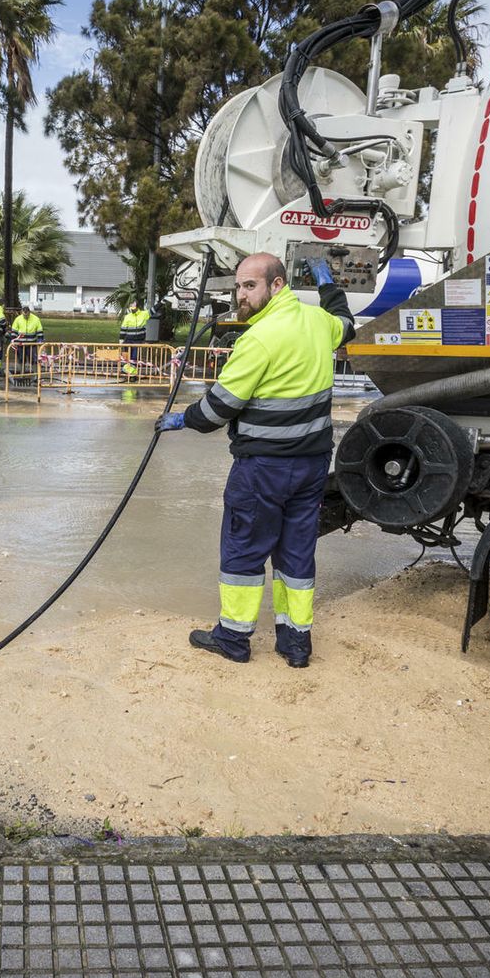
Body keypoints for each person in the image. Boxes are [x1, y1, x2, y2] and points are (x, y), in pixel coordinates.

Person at [155, 252, 355, 669]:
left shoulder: (259, 339)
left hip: (263, 468)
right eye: (238, 286)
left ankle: (233, 638)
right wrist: (327, 283)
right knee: (296, 554)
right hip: (311, 466)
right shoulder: (318, 323)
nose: (241, 295)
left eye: (250, 286)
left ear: (277, 285)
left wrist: (182, 419)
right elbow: (345, 322)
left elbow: (217, 411)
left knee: (244, 551)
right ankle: (296, 643)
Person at [8, 306, 44, 377]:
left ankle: (35, 376)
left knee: (33, 360)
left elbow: (40, 331)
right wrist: (13, 341)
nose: (25, 316)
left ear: (29, 313)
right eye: (24, 315)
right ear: (22, 313)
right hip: (20, 344)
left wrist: (40, 340)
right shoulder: (18, 319)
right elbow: (14, 331)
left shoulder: (36, 319)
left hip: (32, 344)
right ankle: (22, 375)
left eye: (27, 315)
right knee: (21, 360)